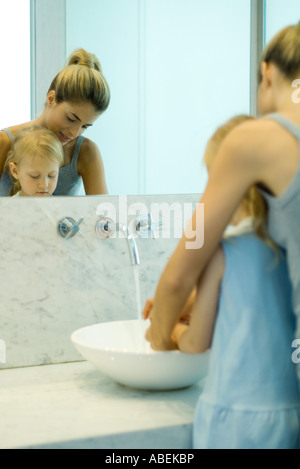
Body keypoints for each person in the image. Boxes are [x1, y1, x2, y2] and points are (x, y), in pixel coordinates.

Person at [144, 22, 300, 447]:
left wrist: (163, 333)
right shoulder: (275, 245)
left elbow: (187, 259)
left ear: (267, 73)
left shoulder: (258, 140)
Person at [171, 115, 299, 449]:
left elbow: (198, 342)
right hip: (289, 414)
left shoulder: (221, 252)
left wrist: (174, 332)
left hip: (232, 421)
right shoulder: (291, 249)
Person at [0, 48, 110, 196]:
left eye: (85, 126)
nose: (74, 133)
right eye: (71, 119)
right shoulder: (5, 142)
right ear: (51, 98)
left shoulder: (86, 152)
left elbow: (104, 214)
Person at [4, 126, 64, 197]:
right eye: (34, 176)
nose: (44, 185)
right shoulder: (8, 207)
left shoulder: (59, 206)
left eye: (52, 176)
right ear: (15, 171)